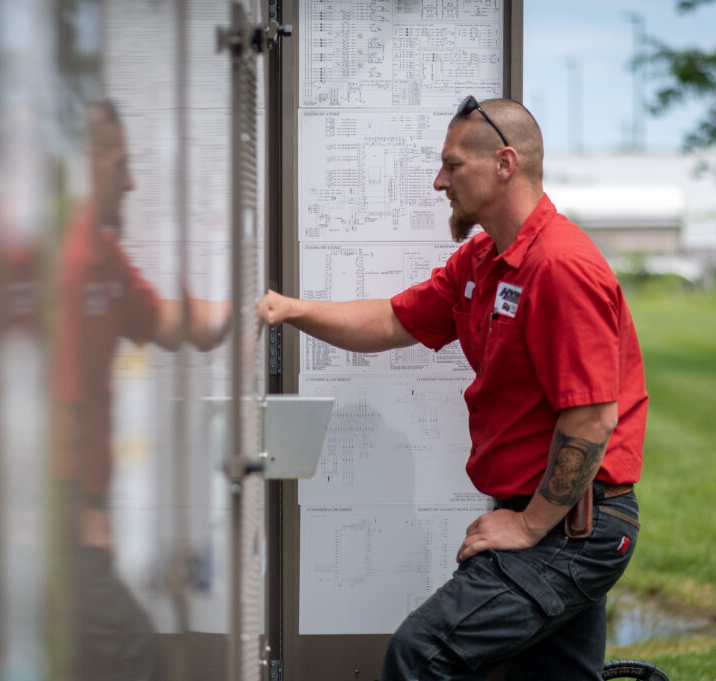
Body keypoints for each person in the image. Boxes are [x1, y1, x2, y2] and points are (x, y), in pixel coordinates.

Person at [260, 97, 648, 680]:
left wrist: (528, 524)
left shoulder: (560, 267)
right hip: (551, 518)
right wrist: (291, 309)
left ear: (505, 163)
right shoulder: (483, 260)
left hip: (571, 527)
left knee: (422, 654)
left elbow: (592, 418)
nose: (439, 181)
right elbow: (394, 320)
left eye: (453, 165)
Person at [53, 99, 228, 681]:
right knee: (134, 654)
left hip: (77, 522)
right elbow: (59, 406)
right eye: (121, 164)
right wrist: (79, 514)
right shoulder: (69, 261)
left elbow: (172, 324)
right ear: (87, 160)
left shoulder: (103, 258)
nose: (131, 183)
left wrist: (249, 306)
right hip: (61, 526)